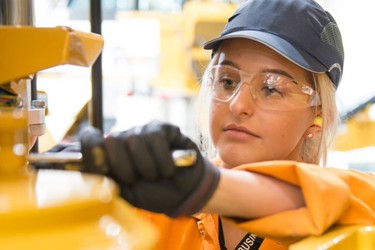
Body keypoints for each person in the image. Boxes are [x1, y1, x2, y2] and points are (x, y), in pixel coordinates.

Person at [49, 0, 375, 249]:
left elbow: (344, 199)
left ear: (317, 117)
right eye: (228, 81)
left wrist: (206, 188)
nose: (238, 104)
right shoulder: (156, 208)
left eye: (272, 87)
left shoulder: (352, 213)